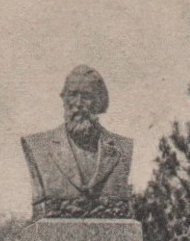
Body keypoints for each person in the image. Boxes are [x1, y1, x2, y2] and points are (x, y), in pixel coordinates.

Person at [20, 65, 135, 219]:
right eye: (73, 95)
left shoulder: (122, 148)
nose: (78, 103)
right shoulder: (38, 146)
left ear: (99, 102)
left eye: (86, 96)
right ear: (63, 99)